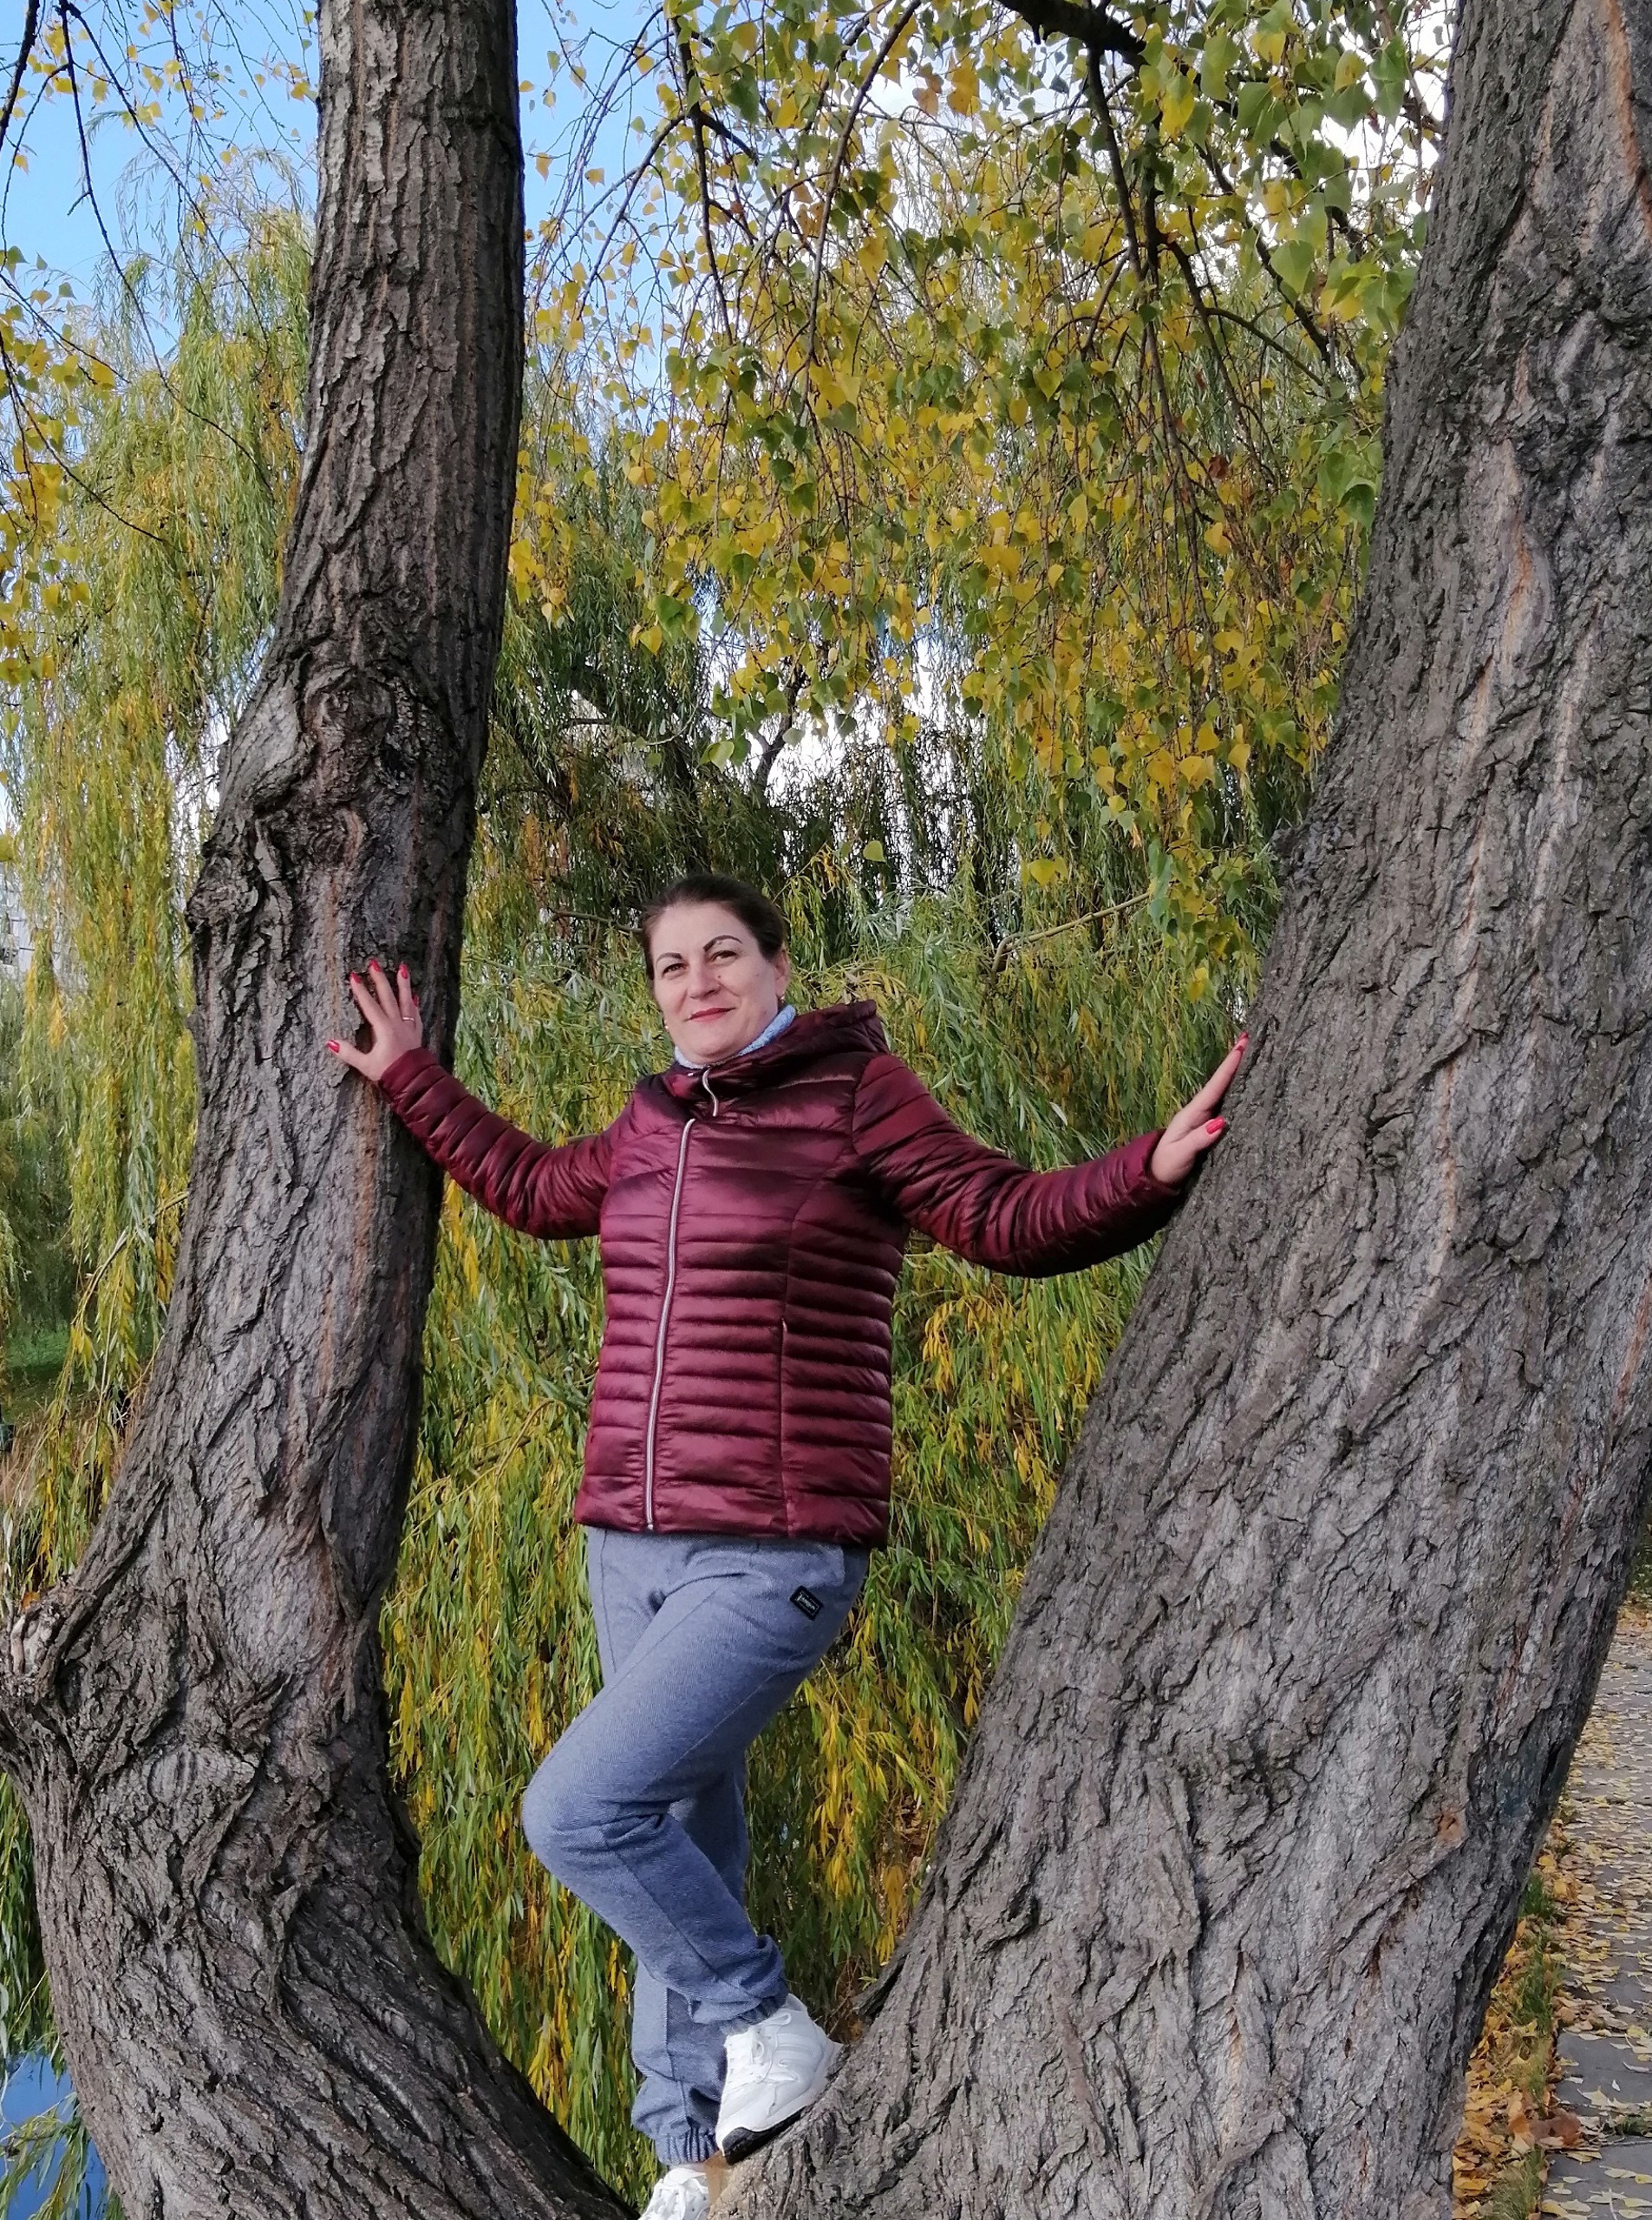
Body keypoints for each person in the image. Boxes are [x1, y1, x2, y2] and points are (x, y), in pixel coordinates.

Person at [328, 873, 1241, 2220]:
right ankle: (695, 2151)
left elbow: (999, 1213)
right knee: (676, 1832)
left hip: (774, 1549)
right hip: (628, 1544)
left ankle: (772, 2024)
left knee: (579, 1811)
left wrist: (1145, 1175)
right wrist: (413, 1078)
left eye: (723, 955)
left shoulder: (855, 1096)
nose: (697, 983)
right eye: (671, 967)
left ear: (776, 968)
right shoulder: (649, 1123)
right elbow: (525, 1185)